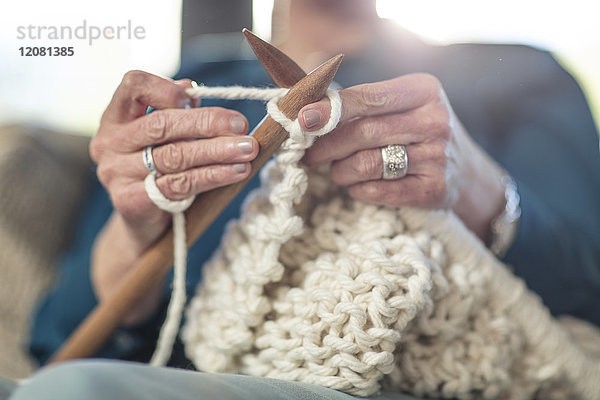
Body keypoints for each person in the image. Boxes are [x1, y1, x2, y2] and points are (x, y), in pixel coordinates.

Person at [6, 0, 600, 399]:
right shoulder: (193, 76)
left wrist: (477, 189)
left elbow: (590, 282)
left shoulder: (517, 72)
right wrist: (134, 231)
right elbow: (55, 339)